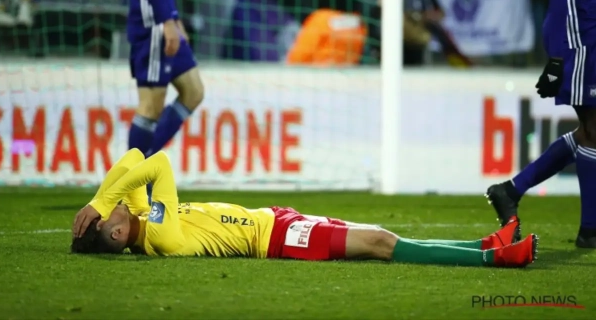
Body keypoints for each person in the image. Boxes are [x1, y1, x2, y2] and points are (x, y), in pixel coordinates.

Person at [71, 149, 538, 268]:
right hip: (279, 240)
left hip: (278, 219)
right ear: (116, 235)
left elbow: (133, 158)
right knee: (380, 242)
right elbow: (159, 164)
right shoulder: (160, 234)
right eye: (107, 218)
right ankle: (494, 258)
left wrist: (100, 201)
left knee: (379, 231)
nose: (111, 209)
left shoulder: (143, 220)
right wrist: (101, 201)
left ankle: (484, 243)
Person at [486, 0, 596, 249]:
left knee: (589, 133)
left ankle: (510, 190)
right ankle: (590, 230)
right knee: (593, 131)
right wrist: (556, 59)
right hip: (583, 44)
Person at [126, 0, 205, 200]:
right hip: (152, 24)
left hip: (163, 18)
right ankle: (131, 185)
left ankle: (139, 172)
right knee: (150, 106)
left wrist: (174, 17)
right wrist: (166, 22)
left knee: (193, 91)